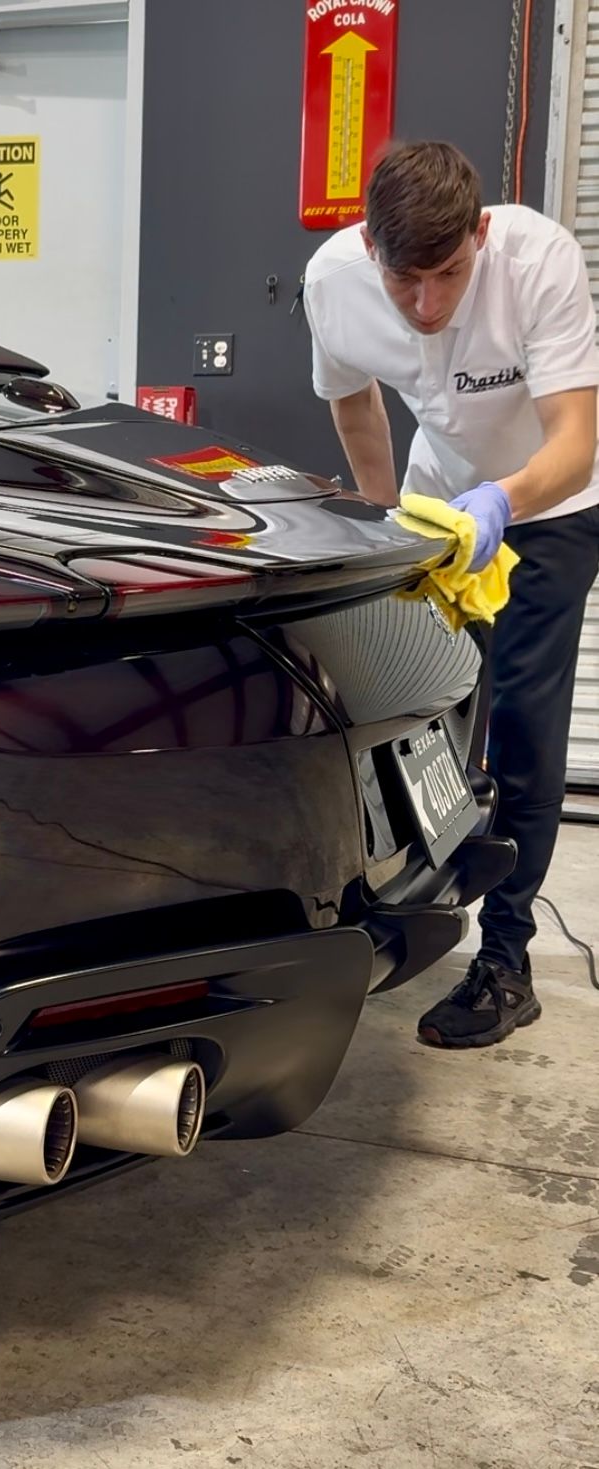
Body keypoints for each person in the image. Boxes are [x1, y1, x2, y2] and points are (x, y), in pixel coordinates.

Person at [303, 139, 599, 1049]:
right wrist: (384, 519)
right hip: (440, 503)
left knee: (520, 728)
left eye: (447, 274)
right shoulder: (333, 280)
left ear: (478, 233)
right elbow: (353, 401)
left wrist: (503, 501)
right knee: (414, 708)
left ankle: (506, 961)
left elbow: (576, 440)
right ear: (367, 246)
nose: (426, 305)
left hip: (549, 503)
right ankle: (404, 910)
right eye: (405, 281)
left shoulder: (540, 259)